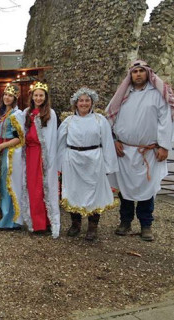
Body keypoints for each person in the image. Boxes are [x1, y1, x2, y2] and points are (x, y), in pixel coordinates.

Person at [106, 59, 174, 241]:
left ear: (147, 73)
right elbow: (110, 119)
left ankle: (146, 224)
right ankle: (125, 221)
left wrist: (164, 146)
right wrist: (114, 140)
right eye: (134, 71)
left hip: (149, 152)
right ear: (130, 75)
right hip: (124, 150)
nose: (138, 74)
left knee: (147, 188)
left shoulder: (157, 95)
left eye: (141, 71)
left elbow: (165, 121)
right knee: (125, 189)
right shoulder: (123, 94)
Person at [57, 87, 118, 241]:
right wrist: (60, 164)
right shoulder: (68, 121)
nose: (84, 103)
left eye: (87, 100)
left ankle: (92, 227)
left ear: (92, 103)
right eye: (81, 100)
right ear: (76, 103)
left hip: (94, 161)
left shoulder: (100, 120)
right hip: (73, 161)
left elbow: (107, 143)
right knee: (73, 191)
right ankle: (75, 224)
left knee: (94, 193)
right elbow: (60, 143)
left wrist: (109, 165)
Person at [21, 82, 60, 238]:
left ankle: (47, 221)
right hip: (30, 154)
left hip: (43, 155)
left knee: (45, 188)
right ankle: (35, 222)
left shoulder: (50, 113)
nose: (38, 98)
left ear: (45, 97)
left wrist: (48, 158)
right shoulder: (27, 113)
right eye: (36, 95)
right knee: (33, 188)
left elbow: (51, 138)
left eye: (41, 95)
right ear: (32, 97)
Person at [0, 84, 24, 230]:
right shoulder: (2, 113)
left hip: (10, 154)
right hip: (0, 152)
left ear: (15, 98)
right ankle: (3, 216)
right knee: (1, 184)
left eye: (10, 96)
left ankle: (10, 220)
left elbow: (19, 138)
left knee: (9, 184)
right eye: (5, 95)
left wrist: (1, 146)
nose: (7, 97)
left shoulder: (16, 115)